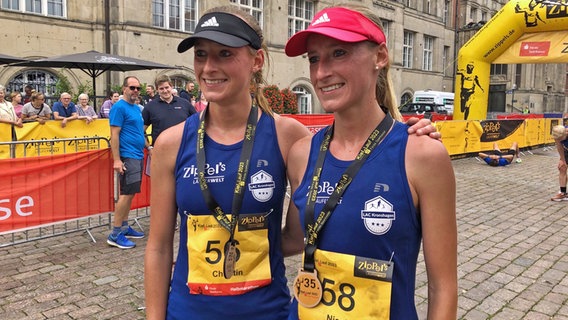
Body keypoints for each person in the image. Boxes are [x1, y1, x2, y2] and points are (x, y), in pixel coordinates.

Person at [144, 5, 440, 320]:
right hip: (189, 312)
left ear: (256, 61)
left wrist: (408, 137)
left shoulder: (290, 137)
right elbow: (159, 247)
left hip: (268, 311)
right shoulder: (171, 143)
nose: (208, 67)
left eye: (225, 54)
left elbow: (305, 229)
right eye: (201, 55)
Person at [284, 4, 457, 320]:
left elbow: (442, 286)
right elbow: (292, 240)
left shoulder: (422, 154)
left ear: (380, 56)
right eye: (314, 58)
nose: (322, 72)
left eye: (339, 53)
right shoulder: (302, 153)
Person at [107, 76, 146, 249]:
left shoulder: (136, 108)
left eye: (138, 88)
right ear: (124, 89)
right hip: (127, 156)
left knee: (130, 193)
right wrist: (116, 159)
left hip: (137, 155)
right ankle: (115, 234)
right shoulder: (119, 107)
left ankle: (124, 226)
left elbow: (139, 132)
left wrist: (148, 147)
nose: (135, 91)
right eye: (132, 88)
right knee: (125, 194)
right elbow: (114, 135)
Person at [142, 74, 196, 148]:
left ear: (171, 86)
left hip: (184, 149)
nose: (165, 91)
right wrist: (149, 147)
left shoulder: (185, 103)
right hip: (161, 150)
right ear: (157, 90)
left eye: (167, 87)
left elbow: (197, 123)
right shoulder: (150, 106)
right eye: (161, 88)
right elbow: (140, 130)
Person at [550, 124, 568, 201]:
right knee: (562, 168)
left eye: (561, 139)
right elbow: (559, 147)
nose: (559, 140)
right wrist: (562, 160)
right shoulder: (557, 135)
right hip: (566, 150)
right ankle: (563, 193)